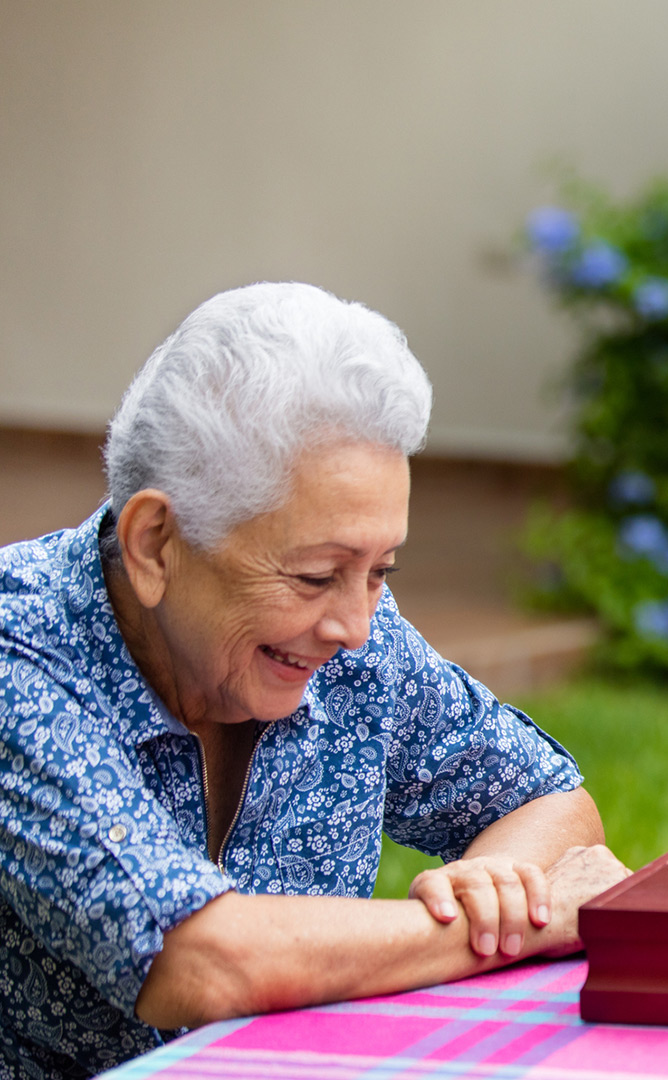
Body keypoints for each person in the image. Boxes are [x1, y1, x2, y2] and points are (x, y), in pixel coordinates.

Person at [0, 283, 630, 1079]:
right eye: (313, 575)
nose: (355, 628)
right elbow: (196, 961)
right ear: (156, 544)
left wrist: (493, 892)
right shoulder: (20, 651)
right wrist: (496, 929)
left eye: (378, 571)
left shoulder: (352, 634)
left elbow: (551, 803)